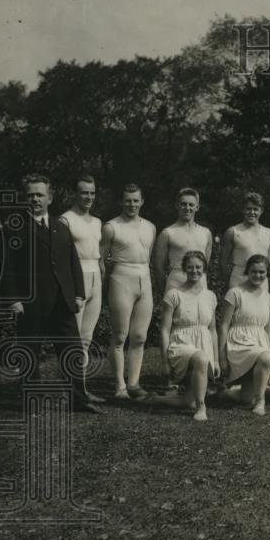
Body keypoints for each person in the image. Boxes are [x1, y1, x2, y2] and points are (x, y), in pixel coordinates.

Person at [2, 174, 102, 413]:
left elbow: (72, 262)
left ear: (50, 197)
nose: (35, 199)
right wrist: (14, 299)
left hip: (61, 301)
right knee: (29, 352)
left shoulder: (60, 226)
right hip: (31, 302)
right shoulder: (15, 228)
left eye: (40, 194)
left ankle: (78, 400)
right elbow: (6, 267)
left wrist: (78, 293)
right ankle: (31, 401)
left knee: (72, 351)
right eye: (30, 195)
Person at [100, 184, 156, 399]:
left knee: (140, 336)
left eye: (136, 200)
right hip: (121, 279)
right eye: (128, 200)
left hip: (144, 279)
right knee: (120, 336)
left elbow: (147, 256)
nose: (132, 204)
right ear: (121, 202)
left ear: (142, 202)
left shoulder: (150, 227)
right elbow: (101, 259)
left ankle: (134, 383)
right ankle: (120, 386)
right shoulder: (111, 227)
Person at [158, 250, 219, 422]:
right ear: (184, 269)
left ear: (204, 269)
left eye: (198, 267)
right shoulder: (173, 295)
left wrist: (215, 360)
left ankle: (156, 399)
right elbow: (164, 330)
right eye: (190, 267)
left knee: (188, 401)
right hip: (180, 344)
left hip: (203, 343)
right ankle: (202, 408)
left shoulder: (210, 296)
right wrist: (164, 361)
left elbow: (213, 329)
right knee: (200, 358)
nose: (194, 271)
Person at [218, 254, 270, 415]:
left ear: (267, 273)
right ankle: (260, 402)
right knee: (263, 357)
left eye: (262, 272)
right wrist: (221, 356)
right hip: (239, 342)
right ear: (247, 272)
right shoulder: (235, 293)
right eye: (254, 271)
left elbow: (269, 330)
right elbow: (223, 325)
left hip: (259, 342)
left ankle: (227, 393)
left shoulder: (267, 296)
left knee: (246, 399)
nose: (258, 275)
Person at [58, 175, 104, 368]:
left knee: (86, 337)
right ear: (75, 194)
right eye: (84, 192)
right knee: (73, 337)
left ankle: (81, 391)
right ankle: (72, 391)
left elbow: (98, 255)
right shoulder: (65, 220)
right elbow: (61, 258)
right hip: (77, 279)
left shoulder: (97, 221)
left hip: (96, 279)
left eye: (92, 193)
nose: (88, 197)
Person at [153, 187, 213, 291]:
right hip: (176, 284)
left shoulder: (206, 233)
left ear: (197, 207)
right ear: (177, 206)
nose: (187, 208)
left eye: (191, 204)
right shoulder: (167, 233)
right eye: (183, 204)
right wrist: (167, 290)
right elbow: (158, 267)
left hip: (200, 284)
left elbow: (205, 265)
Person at [220, 192, 270, 291]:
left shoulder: (268, 232)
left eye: (255, 209)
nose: (252, 212)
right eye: (248, 209)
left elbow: (267, 262)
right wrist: (230, 283)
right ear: (243, 210)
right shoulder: (233, 231)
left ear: (261, 211)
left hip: (261, 282)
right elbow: (223, 262)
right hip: (239, 281)